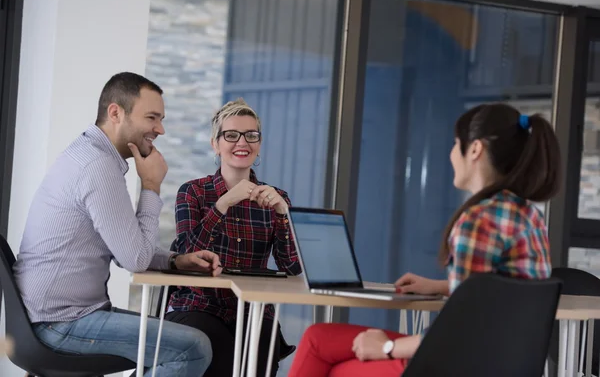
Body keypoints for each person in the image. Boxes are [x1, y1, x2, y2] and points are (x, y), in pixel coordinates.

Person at [288, 102, 562, 377]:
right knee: (317, 337)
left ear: (475, 149)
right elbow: (501, 294)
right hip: (504, 364)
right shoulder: (529, 215)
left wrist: (388, 348)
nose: (452, 154)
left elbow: (462, 330)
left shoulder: (478, 220)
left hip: (456, 365)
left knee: (330, 363)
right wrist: (442, 286)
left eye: (456, 144)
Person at [13, 72, 223, 377]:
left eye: (161, 119)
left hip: (50, 315)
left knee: (179, 340)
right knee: (192, 348)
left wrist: (176, 261)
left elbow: (128, 244)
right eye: (152, 117)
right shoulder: (97, 167)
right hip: (58, 323)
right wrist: (151, 185)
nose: (160, 129)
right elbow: (134, 260)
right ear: (116, 113)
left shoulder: (92, 155)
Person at [165, 98, 302, 377]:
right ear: (216, 144)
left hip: (253, 309)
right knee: (220, 355)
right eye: (231, 135)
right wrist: (222, 205)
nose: (243, 142)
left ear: (259, 144)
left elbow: (292, 268)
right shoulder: (192, 192)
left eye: (251, 135)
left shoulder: (277, 198)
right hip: (199, 304)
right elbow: (187, 255)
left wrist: (282, 214)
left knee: (261, 353)